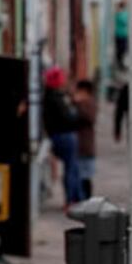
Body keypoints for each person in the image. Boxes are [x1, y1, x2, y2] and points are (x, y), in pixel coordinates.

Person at [42, 66, 83, 210]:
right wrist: (76, 114)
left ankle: (76, 198)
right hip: (64, 136)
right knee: (71, 168)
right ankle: (72, 199)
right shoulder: (56, 99)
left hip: (58, 135)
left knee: (73, 168)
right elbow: (68, 119)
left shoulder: (48, 96)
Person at [72, 79, 97, 199]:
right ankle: (81, 197)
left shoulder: (89, 102)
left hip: (85, 144)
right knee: (79, 174)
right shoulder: (82, 102)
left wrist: (78, 104)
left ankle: (86, 198)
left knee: (85, 175)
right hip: (79, 144)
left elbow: (89, 118)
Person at [114, 0, 129, 70]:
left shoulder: (123, 13)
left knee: (123, 49)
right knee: (119, 50)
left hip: (123, 34)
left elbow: (126, 22)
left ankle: (121, 63)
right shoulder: (119, 14)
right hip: (119, 34)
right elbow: (124, 22)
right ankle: (120, 63)